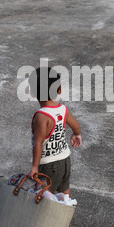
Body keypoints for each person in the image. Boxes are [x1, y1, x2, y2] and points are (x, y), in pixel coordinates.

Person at [27, 67, 82, 196]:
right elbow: (76, 125)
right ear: (59, 90)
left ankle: (46, 212)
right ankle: (66, 206)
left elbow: (38, 143)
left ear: (33, 93)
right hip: (65, 159)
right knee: (64, 187)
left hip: (48, 164)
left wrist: (35, 167)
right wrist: (76, 134)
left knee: (44, 192)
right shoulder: (63, 109)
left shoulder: (41, 116)